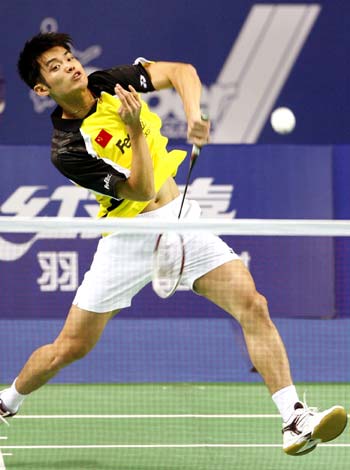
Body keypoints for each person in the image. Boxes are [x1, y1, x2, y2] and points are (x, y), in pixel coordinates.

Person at [0, 32, 347, 456]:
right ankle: (7, 401)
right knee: (69, 348)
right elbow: (140, 189)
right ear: (42, 89)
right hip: (129, 238)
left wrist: (193, 115)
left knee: (252, 303)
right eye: (55, 67)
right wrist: (133, 129)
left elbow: (182, 72)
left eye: (69, 58)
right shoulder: (69, 148)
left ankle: (293, 418)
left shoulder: (109, 81)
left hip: (181, 220)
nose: (71, 66)